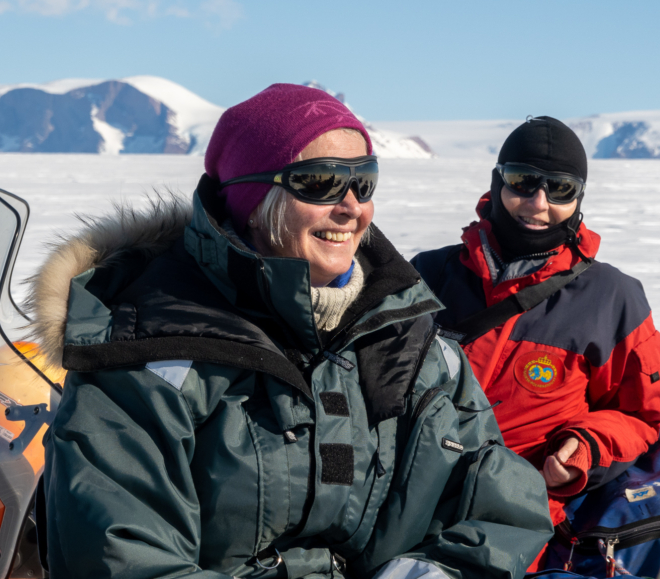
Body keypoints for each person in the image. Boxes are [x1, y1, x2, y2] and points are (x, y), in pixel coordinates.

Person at [31, 85, 552, 579]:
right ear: (251, 202)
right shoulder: (148, 354)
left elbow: (499, 507)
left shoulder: (412, 346)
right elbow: (120, 555)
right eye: (321, 181)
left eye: (363, 180)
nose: (351, 206)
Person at [411, 117, 660, 531]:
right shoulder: (429, 274)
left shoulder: (610, 298)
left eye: (560, 188)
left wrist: (586, 446)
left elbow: (642, 418)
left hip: (511, 525)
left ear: (579, 197)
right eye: (522, 180)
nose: (538, 201)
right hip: (401, 504)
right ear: (498, 182)